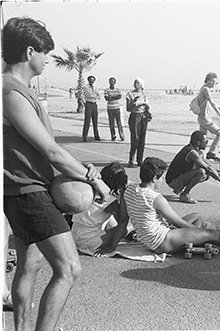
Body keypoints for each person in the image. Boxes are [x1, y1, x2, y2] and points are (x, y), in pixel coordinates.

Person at [2, 17, 109, 330]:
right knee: (70, 269)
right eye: (44, 53)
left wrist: (79, 168)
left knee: (31, 263)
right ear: (29, 51)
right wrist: (94, 179)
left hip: (26, 191)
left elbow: (46, 149)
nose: (47, 59)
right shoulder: (10, 94)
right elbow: (49, 150)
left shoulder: (17, 90)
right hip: (28, 192)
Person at [99, 156, 220, 256]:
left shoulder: (128, 191)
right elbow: (179, 224)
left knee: (197, 216)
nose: (162, 181)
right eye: (161, 178)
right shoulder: (155, 198)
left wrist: (111, 246)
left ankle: (192, 241)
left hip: (155, 237)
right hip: (162, 242)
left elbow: (123, 222)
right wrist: (202, 234)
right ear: (154, 179)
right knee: (211, 234)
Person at [166, 131, 220, 204]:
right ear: (198, 143)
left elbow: (207, 166)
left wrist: (217, 175)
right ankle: (184, 194)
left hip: (177, 177)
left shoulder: (197, 151)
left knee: (207, 175)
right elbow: (207, 168)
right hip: (172, 181)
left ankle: (180, 188)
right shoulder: (192, 152)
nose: (207, 143)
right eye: (206, 141)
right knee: (201, 172)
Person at [196, 72, 220, 161]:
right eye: (212, 81)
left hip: (201, 118)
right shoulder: (206, 89)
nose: (214, 84)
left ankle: (198, 158)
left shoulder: (203, 88)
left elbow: (210, 102)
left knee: (203, 139)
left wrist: (219, 107)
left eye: (215, 82)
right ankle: (211, 153)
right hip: (205, 119)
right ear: (208, 80)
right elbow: (212, 103)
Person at [126, 78, 150, 168]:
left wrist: (146, 105)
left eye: (138, 83)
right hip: (134, 116)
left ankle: (140, 159)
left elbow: (147, 107)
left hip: (143, 116)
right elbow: (128, 108)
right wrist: (134, 102)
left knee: (142, 139)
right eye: (135, 82)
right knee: (135, 138)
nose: (136, 84)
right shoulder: (130, 94)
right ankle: (131, 159)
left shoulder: (144, 94)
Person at [104, 77, 125, 141]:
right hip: (110, 108)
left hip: (117, 108)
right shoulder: (106, 90)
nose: (112, 82)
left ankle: (122, 136)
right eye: (110, 81)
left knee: (119, 122)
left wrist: (111, 97)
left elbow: (119, 96)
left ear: (115, 82)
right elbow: (107, 99)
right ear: (109, 82)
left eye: (113, 81)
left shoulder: (118, 89)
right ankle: (113, 135)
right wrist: (114, 97)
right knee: (111, 122)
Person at [82, 75, 101, 142]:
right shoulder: (86, 87)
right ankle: (85, 136)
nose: (91, 81)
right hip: (88, 104)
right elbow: (89, 95)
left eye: (93, 80)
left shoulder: (95, 87)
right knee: (87, 121)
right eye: (90, 79)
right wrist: (94, 96)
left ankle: (96, 136)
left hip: (94, 105)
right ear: (88, 80)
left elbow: (99, 96)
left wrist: (94, 96)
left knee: (95, 121)